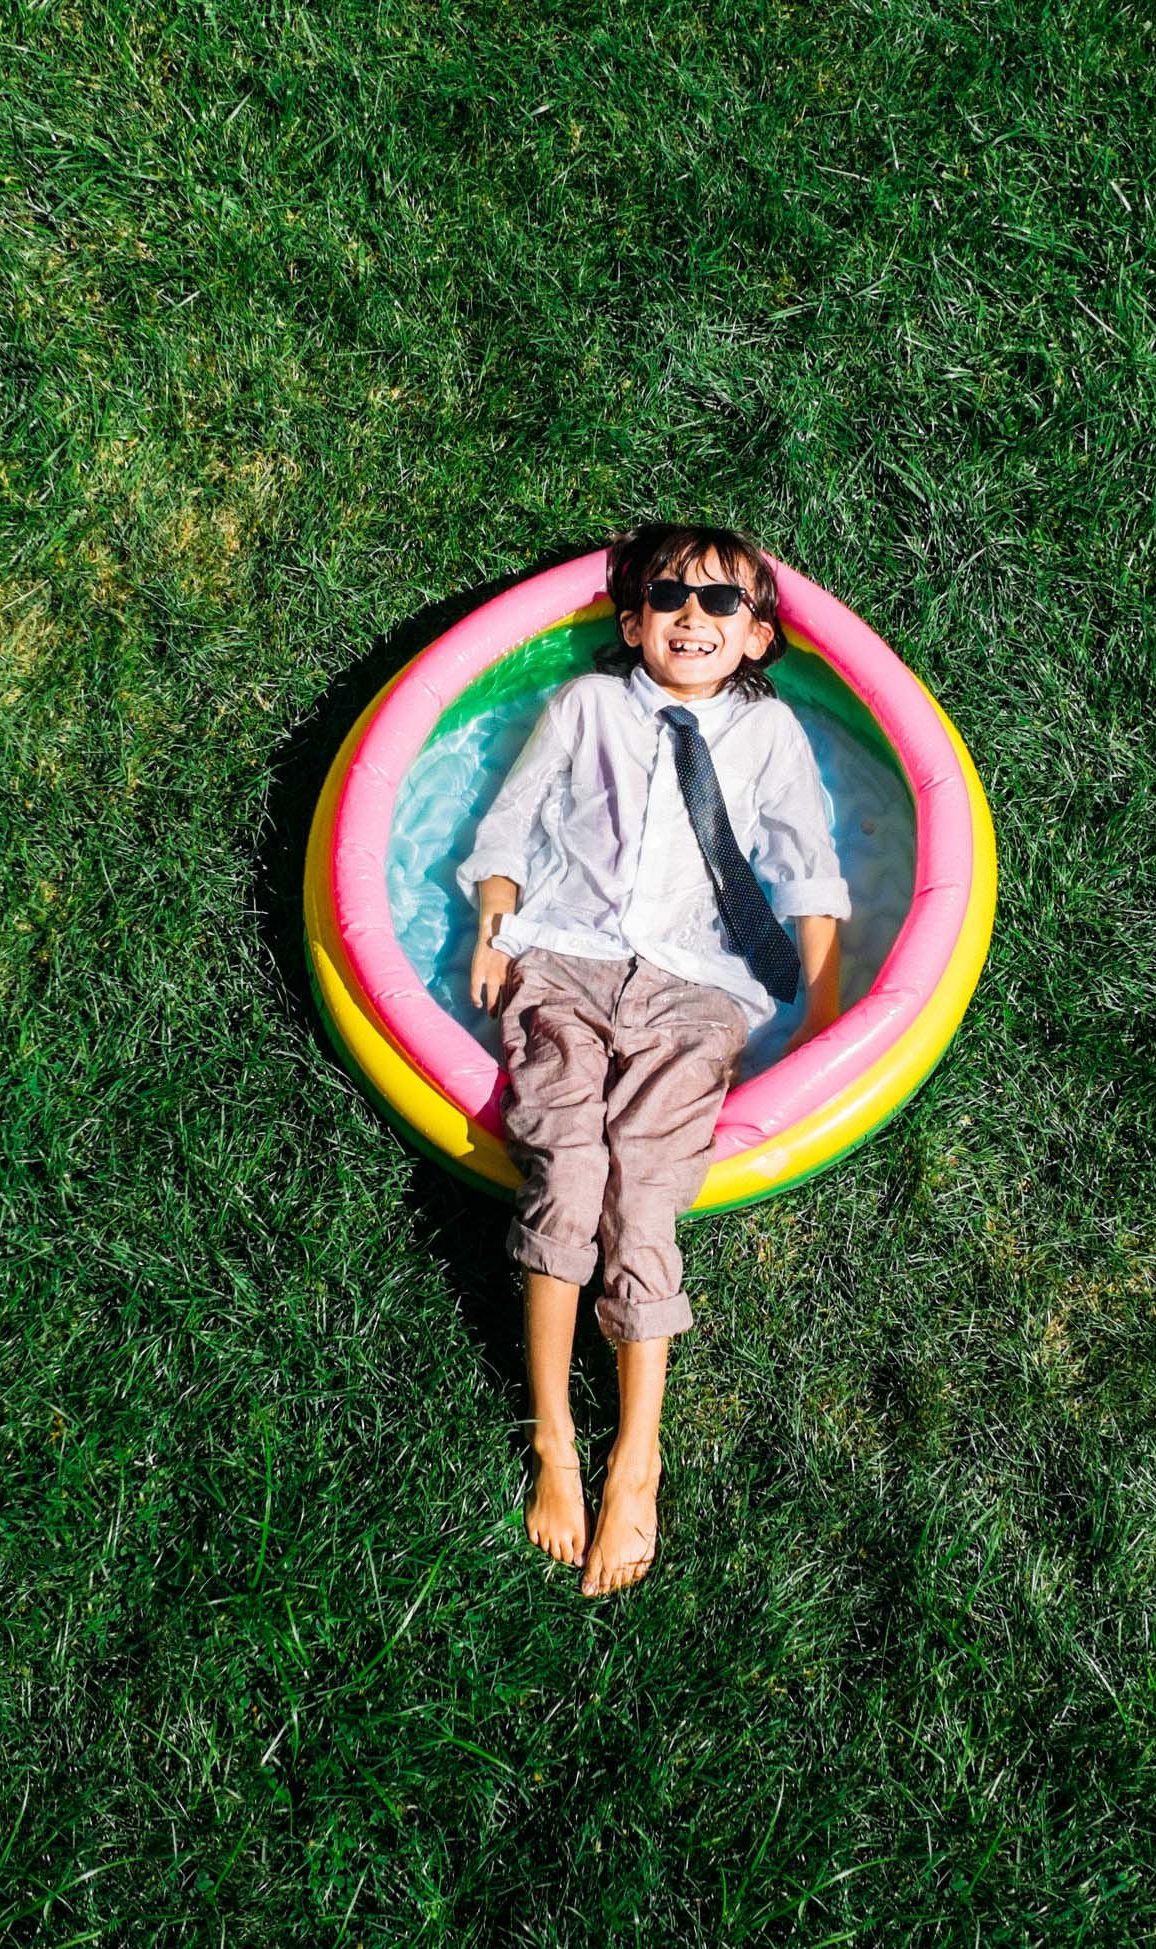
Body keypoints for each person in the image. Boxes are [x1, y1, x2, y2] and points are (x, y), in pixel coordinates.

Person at [458, 523, 850, 1595]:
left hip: (697, 989)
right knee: (570, 1171)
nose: (691, 615)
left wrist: (820, 1008)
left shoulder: (768, 739)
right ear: (628, 623)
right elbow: (510, 822)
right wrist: (495, 929)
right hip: (566, 966)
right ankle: (553, 1440)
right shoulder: (585, 707)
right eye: (667, 596)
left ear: (757, 639)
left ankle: (638, 1453)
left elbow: (807, 865)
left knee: (644, 1193)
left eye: (719, 603)